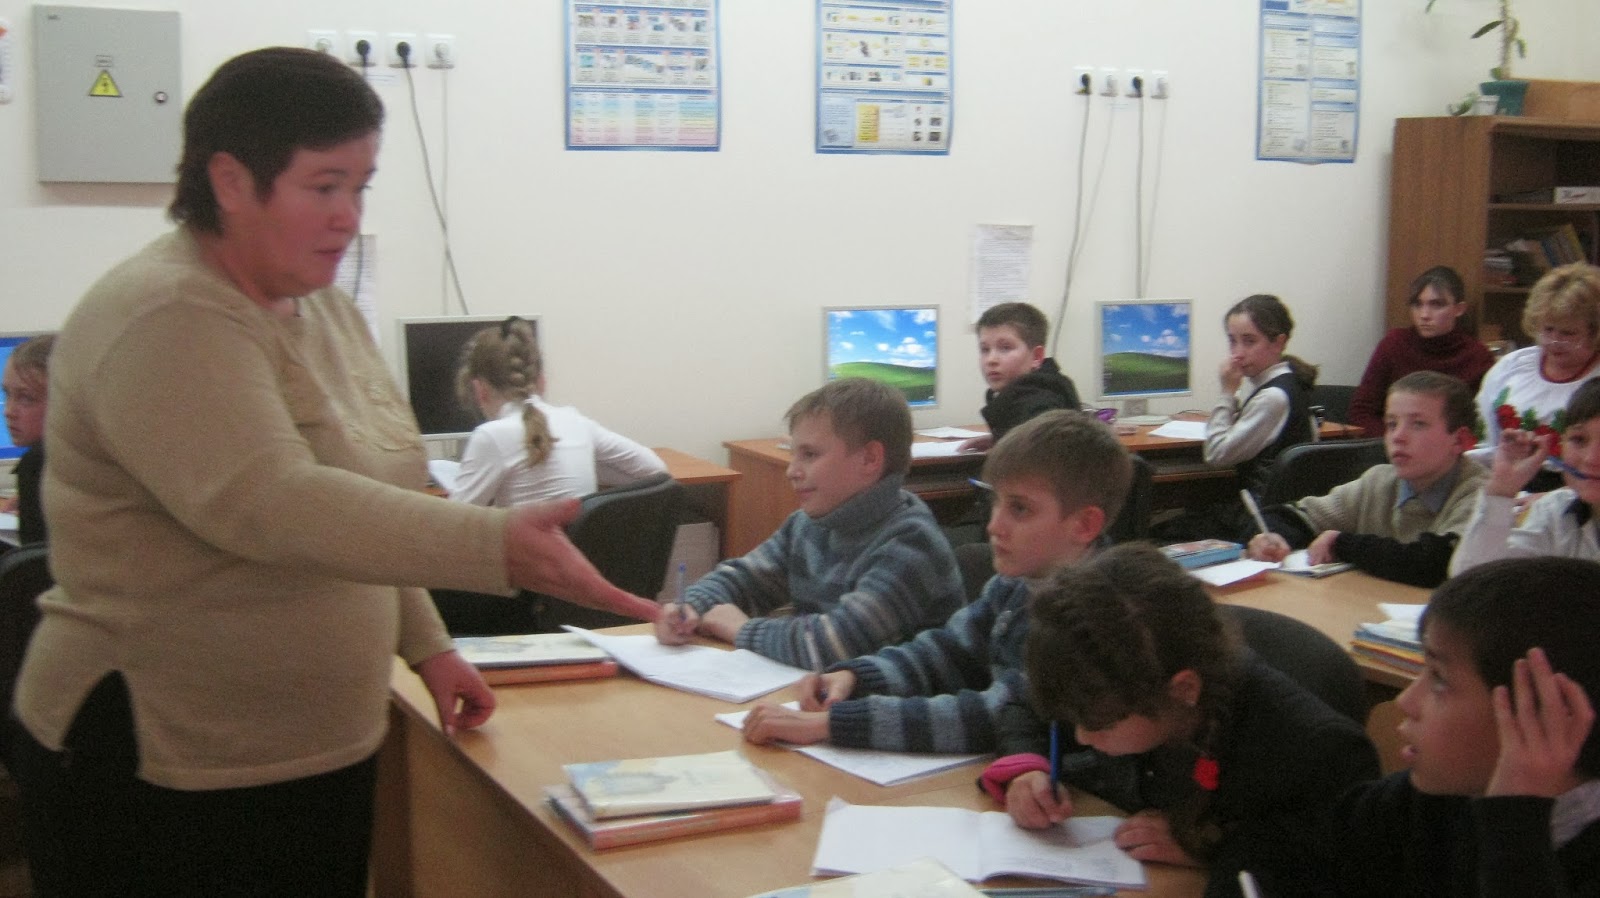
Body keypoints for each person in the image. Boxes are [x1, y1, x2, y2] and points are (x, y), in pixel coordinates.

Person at [10, 48, 660, 897]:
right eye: (324, 186)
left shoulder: (321, 305)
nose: (348, 217)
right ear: (230, 181)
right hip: (166, 752)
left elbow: (368, 501)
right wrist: (491, 543)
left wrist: (427, 646)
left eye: (361, 186)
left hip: (307, 740)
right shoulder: (168, 313)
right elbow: (274, 502)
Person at [983, 544, 1379, 898]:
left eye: (1100, 724)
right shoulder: (1113, 682)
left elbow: (1318, 870)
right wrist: (1027, 768)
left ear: (1183, 689)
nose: (1082, 736)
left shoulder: (1321, 754)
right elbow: (1026, 707)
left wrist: (1207, 846)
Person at [741, 410, 1131, 753]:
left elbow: (999, 714)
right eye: (995, 501)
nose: (994, 526)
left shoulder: (1094, 618)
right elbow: (947, 652)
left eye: (1020, 509)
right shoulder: (1016, 585)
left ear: (1084, 525)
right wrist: (856, 676)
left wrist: (836, 724)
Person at [1318, 557, 1599, 897]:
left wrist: (1514, 820)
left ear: (1546, 715)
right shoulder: (1431, 799)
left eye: (1439, 679)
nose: (1406, 701)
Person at [655, 378, 962, 668]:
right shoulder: (809, 524)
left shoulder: (911, 542)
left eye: (810, 455)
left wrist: (742, 630)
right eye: (794, 454)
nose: (792, 471)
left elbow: (837, 645)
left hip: (892, 701)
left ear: (870, 459)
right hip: (821, 692)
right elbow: (746, 578)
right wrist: (692, 606)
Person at [1246, 371, 1487, 587]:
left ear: (1460, 440)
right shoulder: (1378, 482)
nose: (1398, 436)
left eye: (1418, 424)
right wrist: (1271, 537)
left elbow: (1435, 563)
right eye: (1391, 424)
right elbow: (1296, 516)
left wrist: (1341, 543)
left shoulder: (1480, 493)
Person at [449, 316, 666, 506]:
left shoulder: (490, 437)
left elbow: (450, 525)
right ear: (541, 381)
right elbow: (656, 470)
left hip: (528, 543)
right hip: (575, 543)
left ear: (479, 390)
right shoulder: (576, 422)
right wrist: (581, 463)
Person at [1450, 377, 1600, 575]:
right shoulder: (1555, 514)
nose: (1591, 458)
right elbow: (1472, 578)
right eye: (1579, 440)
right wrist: (1501, 491)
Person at [1471, 263, 1600, 489]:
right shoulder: (1511, 366)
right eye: (1548, 330)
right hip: (1500, 479)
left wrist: (1554, 498)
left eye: (1568, 333)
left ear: (1595, 332)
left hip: (1576, 491)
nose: (1555, 341)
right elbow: (1482, 440)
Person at [1348, 266, 1495, 438]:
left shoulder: (1478, 356)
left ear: (1459, 309)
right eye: (1417, 304)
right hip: (1392, 445)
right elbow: (1361, 411)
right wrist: (1398, 440)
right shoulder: (1394, 344)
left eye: (1436, 305)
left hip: (1449, 449)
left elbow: (1482, 421)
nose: (1424, 315)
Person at [1204, 294, 1317, 495]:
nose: (1237, 353)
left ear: (1279, 343)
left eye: (1249, 341)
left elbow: (1216, 454)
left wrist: (1227, 392)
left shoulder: (1273, 397)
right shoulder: (1289, 381)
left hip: (1260, 510)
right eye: (1232, 341)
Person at [958, 302, 1080, 453]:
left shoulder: (1040, 406)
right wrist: (1000, 440)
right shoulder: (1027, 392)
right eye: (985, 349)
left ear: (1036, 356)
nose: (991, 359)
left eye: (1005, 348)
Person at [2, 334, 54, 544]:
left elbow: (36, 561)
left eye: (26, 398)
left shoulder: (37, 463)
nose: (8, 411)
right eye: (7, 395)